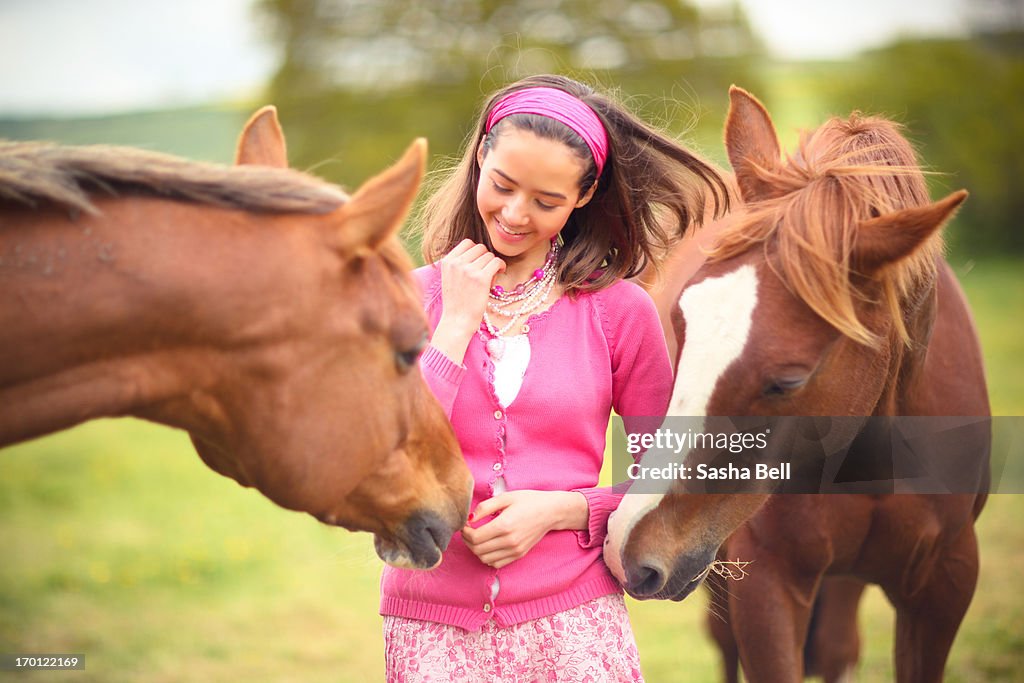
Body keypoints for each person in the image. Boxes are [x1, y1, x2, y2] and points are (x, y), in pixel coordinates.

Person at [380, 73, 729, 682]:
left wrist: (562, 511)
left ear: (584, 197)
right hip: (428, 629)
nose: (515, 215)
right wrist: (456, 324)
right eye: (503, 186)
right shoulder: (410, 299)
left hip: (575, 625)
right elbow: (389, 457)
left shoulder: (620, 312)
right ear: (480, 157)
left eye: (545, 202)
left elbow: (666, 483)